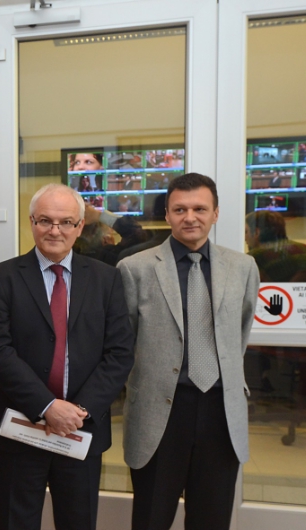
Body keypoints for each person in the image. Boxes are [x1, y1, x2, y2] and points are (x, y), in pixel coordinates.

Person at [0, 183, 134, 530]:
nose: (55, 230)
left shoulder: (106, 279)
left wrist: (78, 411)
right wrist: (48, 407)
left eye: (66, 222)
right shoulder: (2, 277)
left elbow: (120, 353)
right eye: (45, 220)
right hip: (19, 428)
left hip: (80, 428)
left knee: (78, 522)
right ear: (32, 222)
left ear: (80, 226)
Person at [117, 173, 260, 530]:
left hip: (220, 411)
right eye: (180, 209)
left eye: (200, 209)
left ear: (215, 213)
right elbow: (124, 342)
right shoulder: (134, 268)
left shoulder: (242, 267)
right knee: (151, 517)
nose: (190, 217)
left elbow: (239, 332)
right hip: (160, 412)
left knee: (211, 518)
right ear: (167, 214)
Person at [245, 210, 306, 282]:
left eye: (246, 232)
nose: (245, 237)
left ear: (256, 232)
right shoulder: (303, 248)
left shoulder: (254, 258)